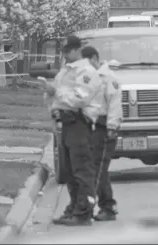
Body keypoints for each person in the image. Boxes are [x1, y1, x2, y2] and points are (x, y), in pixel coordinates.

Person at [45, 35, 103, 226]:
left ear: (78, 50)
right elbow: (57, 95)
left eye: (68, 51)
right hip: (66, 124)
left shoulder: (86, 72)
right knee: (69, 171)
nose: (66, 54)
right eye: (64, 51)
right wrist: (53, 107)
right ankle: (74, 207)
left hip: (79, 123)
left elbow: (80, 98)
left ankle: (84, 212)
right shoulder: (66, 71)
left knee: (82, 169)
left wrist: (56, 93)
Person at [81, 46, 123, 221]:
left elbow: (114, 104)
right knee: (94, 167)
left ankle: (108, 206)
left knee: (100, 168)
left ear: (93, 59)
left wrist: (112, 128)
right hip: (90, 127)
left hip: (104, 127)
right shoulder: (87, 77)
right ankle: (97, 205)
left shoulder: (109, 78)